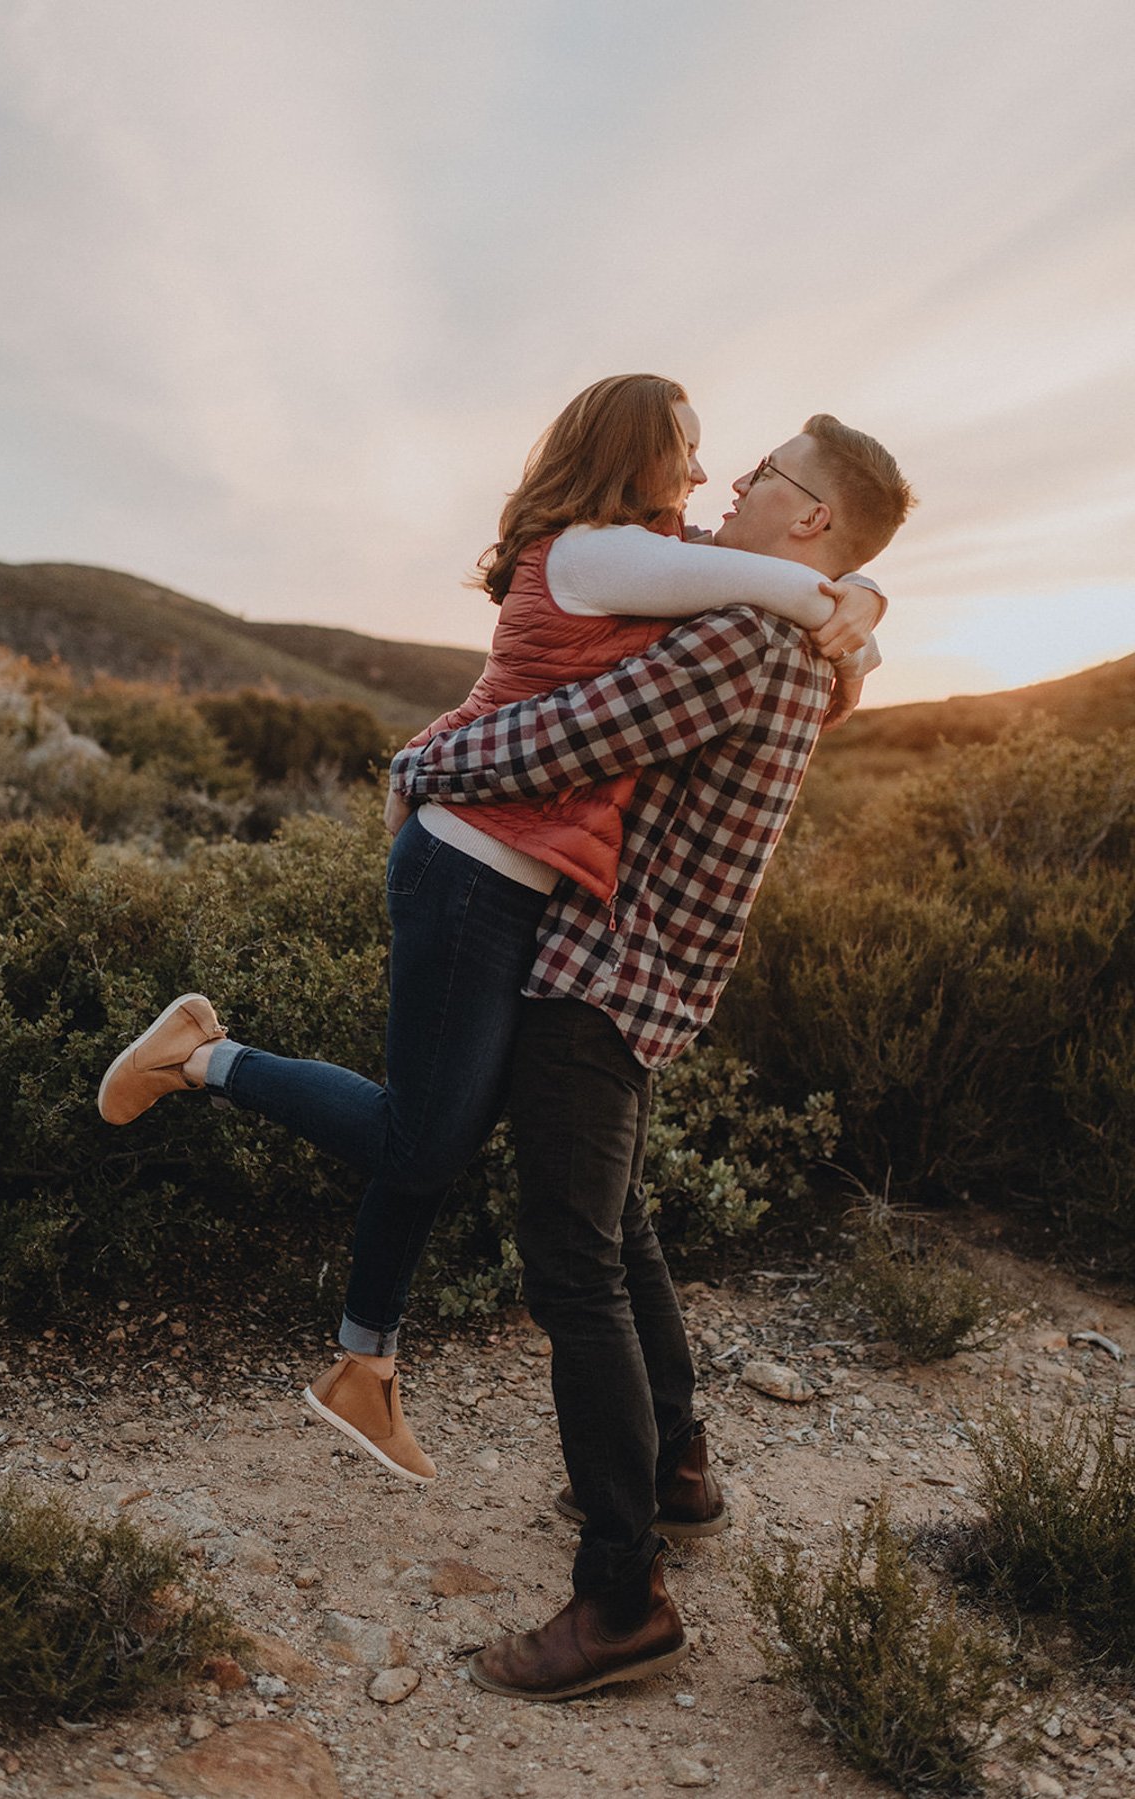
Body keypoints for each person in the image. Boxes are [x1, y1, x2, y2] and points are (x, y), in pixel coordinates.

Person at [96, 378, 884, 1488]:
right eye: (695, 453)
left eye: (735, 463)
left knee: (440, 1126)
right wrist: (847, 598)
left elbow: (784, 614)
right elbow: (776, 590)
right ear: (637, 449)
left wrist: (863, 598)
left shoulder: (652, 552)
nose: (713, 479)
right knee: (426, 1137)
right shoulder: (600, 551)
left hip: (516, 889)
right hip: (470, 869)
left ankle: (363, 1365)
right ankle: (203, 1056)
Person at [387, 412, 916, 1700]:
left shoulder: (741, 638)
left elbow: (561, 737)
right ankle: (675, 1467)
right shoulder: (795, 635)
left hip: (602, 970)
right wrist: (859, 606)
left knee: (574, 1270)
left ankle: (619, 1593)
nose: (736, 481)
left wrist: (416, 760)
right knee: (621, 1233)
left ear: (810, 520)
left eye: (769, 474)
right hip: (661, 969)